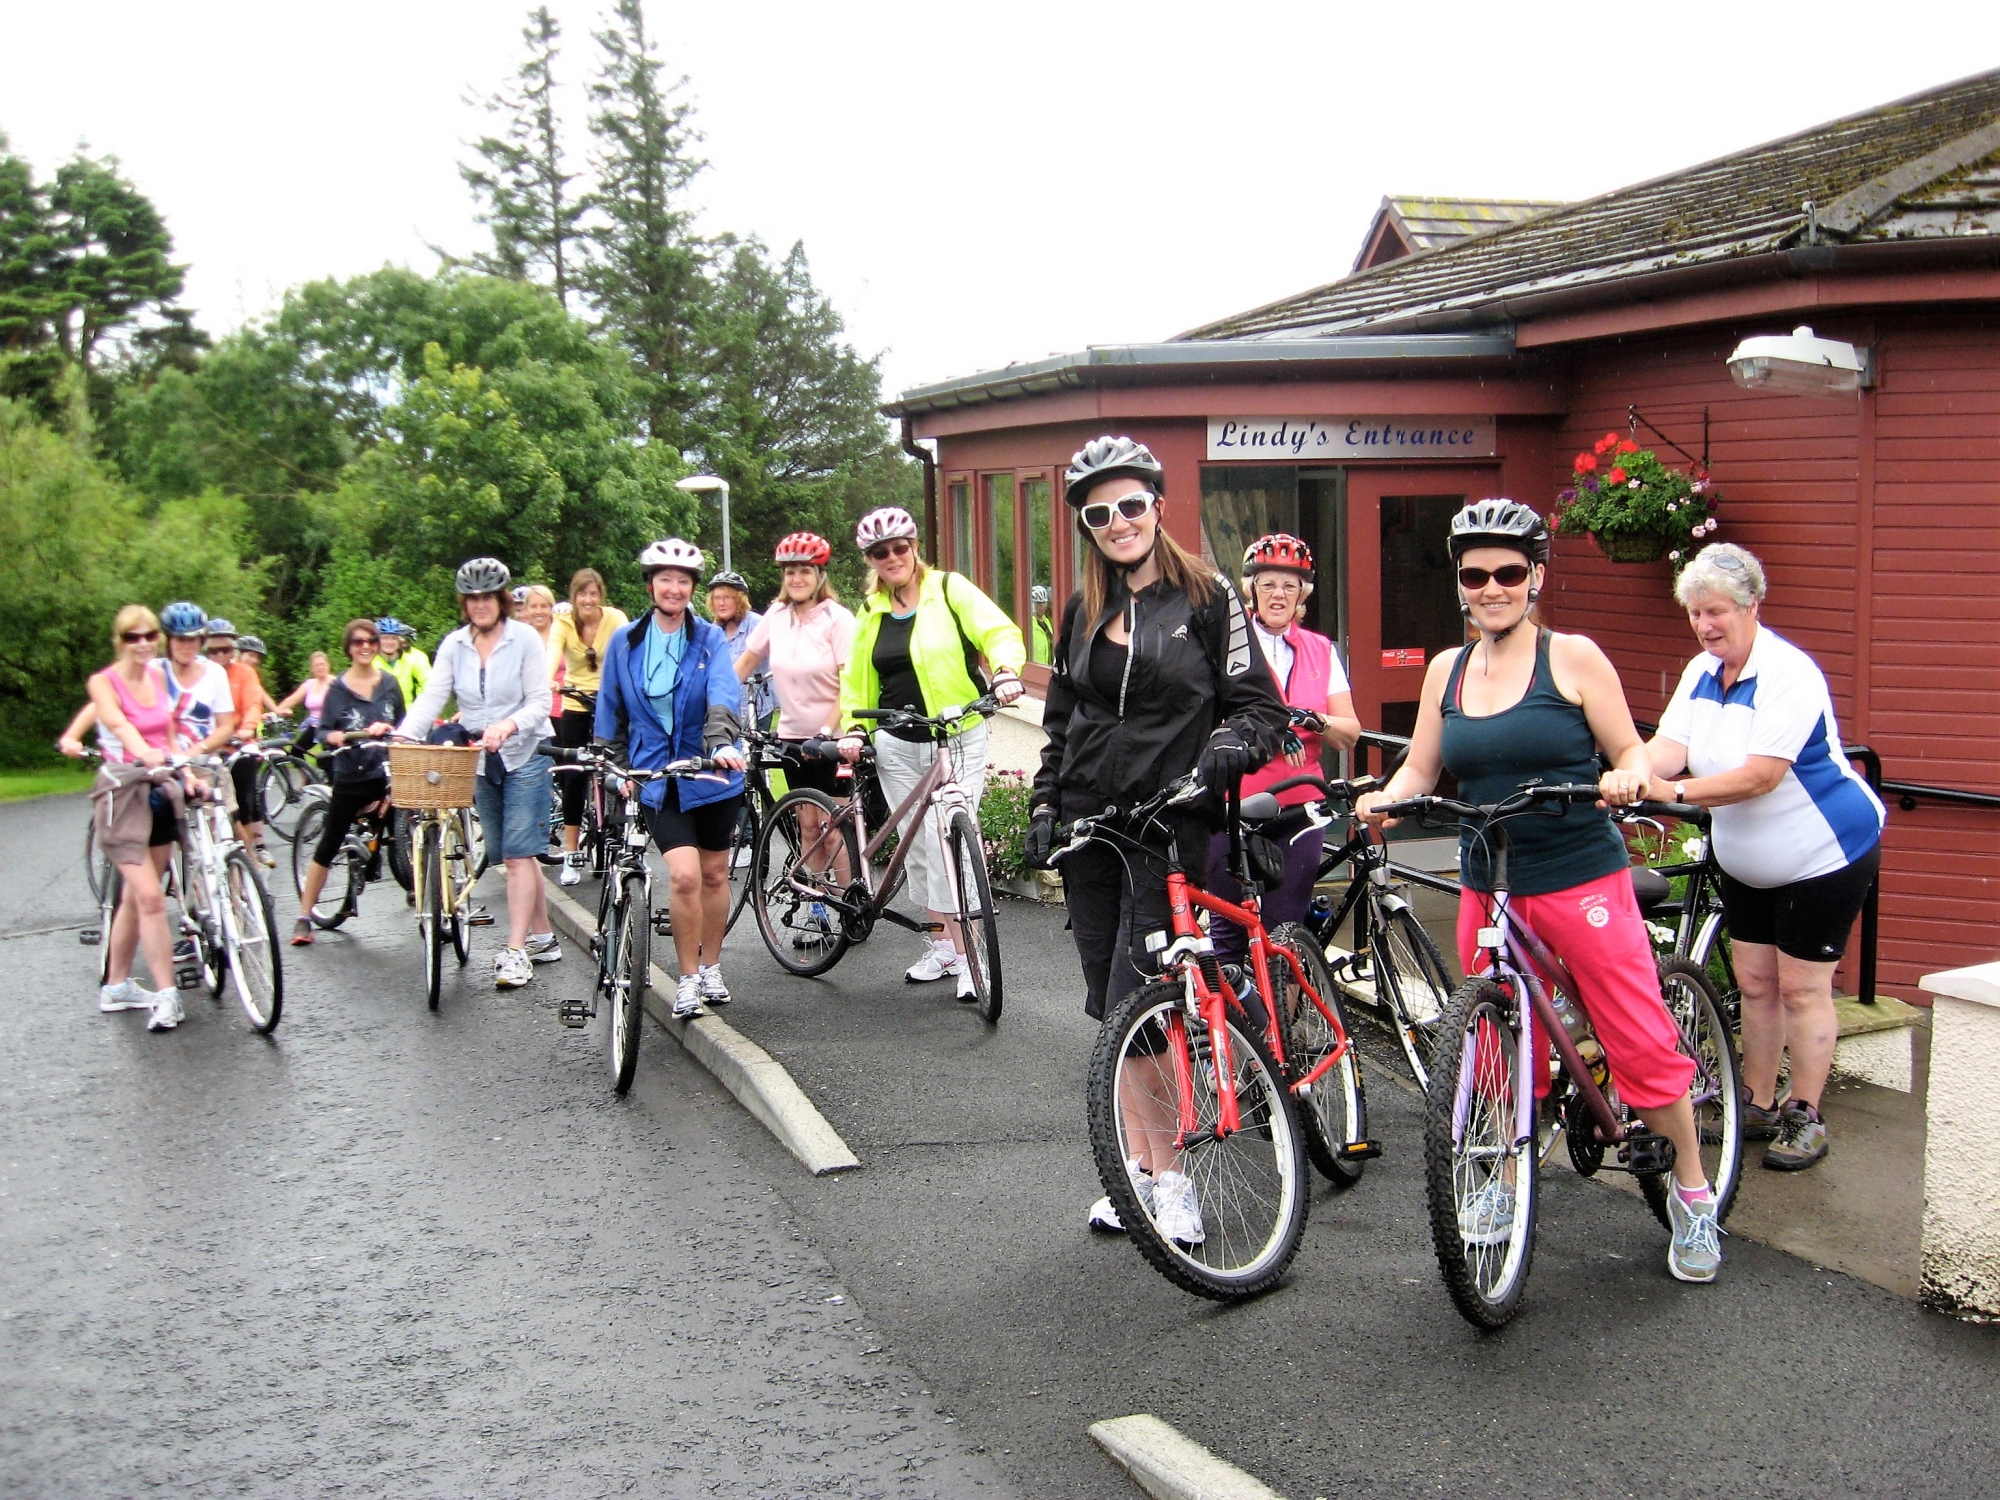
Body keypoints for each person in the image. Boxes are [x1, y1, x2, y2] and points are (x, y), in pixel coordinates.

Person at [1354, 499, 1724, 1284]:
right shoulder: (1444, 671)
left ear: (1536, 578)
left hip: (1578, 872)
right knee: (1495, 1044)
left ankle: (1692, 1190)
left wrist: (1626, 775)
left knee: (1637, 1038)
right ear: (1460, 584)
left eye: (1508, 572)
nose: (1492, 587)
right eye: (1475, 574)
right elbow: (1423, 767)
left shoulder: (1574, 658)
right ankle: (1507, 1179)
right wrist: (1388, 797)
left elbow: (1627, 747)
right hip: (1487, 880)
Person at [1023, 437, 1288, 1239]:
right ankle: (1141, 1168)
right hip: (1090, 827)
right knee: (1112, 1009)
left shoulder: (1207, 597)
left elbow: (1261, 708)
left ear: (1158, 507)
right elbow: (1062, 722)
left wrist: (1228, 750)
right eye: (1098, 514)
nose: (1117, 522)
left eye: (1130, 505)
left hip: (1170, 823)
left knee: (1142, 997)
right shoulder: (1080, 609)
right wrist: (1044, 804)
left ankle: (1177, 1184)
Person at [1644, 542, 1885, 1172]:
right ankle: (1754, 1100)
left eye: (1717, 611)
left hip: (1823, 852)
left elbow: (1760, 777)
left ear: (1752, 605)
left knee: (1802, 989)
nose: (1705, 625)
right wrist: (1625, 776)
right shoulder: (1702, 672)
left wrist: (1671, 792)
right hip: (1747, 856)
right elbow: (1667, 748)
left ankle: (1805, 1113)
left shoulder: (1788, 673)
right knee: (1754, 983)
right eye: (1695, 613)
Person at [836, 507, 1026, 1000]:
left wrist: (1005, 670)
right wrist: (854, 726)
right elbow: (857, 676)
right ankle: (942, 943)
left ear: (915, 546)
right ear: (871, 560)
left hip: (957, 734)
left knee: (951, 839)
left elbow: (998, 631)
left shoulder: (949, 589)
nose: (893, 557)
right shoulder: (870, 610)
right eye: (881, 552)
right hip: (898, 741)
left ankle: (970, 957)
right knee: (917, 847)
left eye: (901, 547)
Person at [594, 539, 750, 1018]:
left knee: (713, 872)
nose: (675, 588)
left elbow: (723, 693)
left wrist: (722, 743)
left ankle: (711, 967)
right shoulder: (626, 641)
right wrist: (611, 764)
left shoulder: (707, 639)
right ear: (651, 585)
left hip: (711, 772)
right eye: (666, 579)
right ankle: (686, 979)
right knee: (683, 876)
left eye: (683, 581)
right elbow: (610, 707)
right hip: (656, 777)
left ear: (691, 589)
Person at [1202, 533, 1362, 965]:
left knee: (1285, 935)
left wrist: (1314, 719)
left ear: (1303, 593)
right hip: (1233, 802)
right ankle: (1233, 1031)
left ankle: (1282, 1031)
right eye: (1269, 583)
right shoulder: (1226, 648)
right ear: (1251, 587)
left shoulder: (1321, 651)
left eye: (1289, 586)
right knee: (1230, 930)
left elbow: (1349, 733)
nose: (1279, 594)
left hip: (1299, 805)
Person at [399, 559, 559, 990]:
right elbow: (433, 696)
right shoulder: (454, 645)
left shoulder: (523, 638)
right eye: (472, 598)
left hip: (526, 751)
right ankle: (543, 936)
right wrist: (404, 738)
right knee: (510, 850)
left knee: (517, 855)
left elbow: (540, 701)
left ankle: (515, 952)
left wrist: (509, 724)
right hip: (481, 758)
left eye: (487, 596)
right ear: (464, 603)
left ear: (502, 599)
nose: (480, 605)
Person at [733, 533, 857, 944]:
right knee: (807, 827)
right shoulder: (777, 616)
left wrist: (829, 730)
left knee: (832, 827)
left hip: (833, 739)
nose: (797, 577)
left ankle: (850, 908)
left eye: (805, 570)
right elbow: (745, 662)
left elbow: (849, 681)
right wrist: (708, 705)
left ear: (819, 574)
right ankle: (818, 906)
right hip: (791, 737)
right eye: (790, 571)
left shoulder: (837, 619)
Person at [85, 605, 186, 1033]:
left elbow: (167, 731)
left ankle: (117, 985)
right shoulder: (103, 682)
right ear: (119, 640)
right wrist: (141, 751)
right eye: (133, 637)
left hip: (159, 787)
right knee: (149, 897)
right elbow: (118, 724)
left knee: (135, 896)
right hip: (123, 791)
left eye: (148, 636)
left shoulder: (161, 676)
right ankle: (168, 996)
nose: (142, 644)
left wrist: (184, 766)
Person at [291, 620, 405, 945]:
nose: (365, 646)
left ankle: (428, 900)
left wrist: (390, 729)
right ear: (348, 648)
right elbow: (322, 731)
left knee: (412, 832)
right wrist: (337, 736)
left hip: (385, 772)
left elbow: (404, 723)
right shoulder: (338, 689)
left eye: (371, 640)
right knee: (330, 842)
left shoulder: (390, 684)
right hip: (352, 774)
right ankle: (303, 917)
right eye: (358, 642)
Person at [548, 568, 630, 885]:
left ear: (601, 596)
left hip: (609, 700)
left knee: (616, 767)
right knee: (574, 775)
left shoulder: (615, 619)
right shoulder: (564, 622)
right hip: (574, 700)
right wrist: (546, 681)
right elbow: (552, 652)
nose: (588, 599)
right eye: (582, 593)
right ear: (574, 596)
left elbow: (627, 652)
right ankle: (571, 852)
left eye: (594, 593)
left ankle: (619, 836)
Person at [202, 619, 279, 865]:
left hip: (237, 742)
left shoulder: (244, 673)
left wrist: (246, 729)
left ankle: (252, 851)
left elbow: (252, 704)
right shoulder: (198, 673)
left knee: (245, 795)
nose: (220, 655)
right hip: (207, 745)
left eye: (226, 649)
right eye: (214, 650)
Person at [707, 570, 774, 728]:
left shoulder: (757, 624)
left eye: (727, 597)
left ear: (739, 600)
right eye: (717, 598)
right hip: (726, 711)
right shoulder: (712, 632)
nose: (721, 603)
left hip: (756, 707)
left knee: (755, 752)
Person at [276, 650, 336, 750]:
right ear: (312, 668)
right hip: (313, 726)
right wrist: (276, 711)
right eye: (316, 665)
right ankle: (304, 766)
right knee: (296, 751)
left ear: (328, 665)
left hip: (330, 727)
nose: (320, 667)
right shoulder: (309, 684)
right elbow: (292, 699)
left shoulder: (335, 683)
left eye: (322, 664)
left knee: (325, 759)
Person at [374, 618, 430, 707]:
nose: (389, 642)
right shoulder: (370, 662)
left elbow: (428, 684)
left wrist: (422, 707)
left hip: (409, 715)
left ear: (399, 641)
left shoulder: (412, 659)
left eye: (393, 638)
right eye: (385, 638)